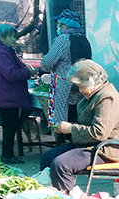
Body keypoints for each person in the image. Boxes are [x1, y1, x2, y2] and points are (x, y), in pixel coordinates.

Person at [39, 59, 119, 191]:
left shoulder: (108, 98)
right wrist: (65, 130)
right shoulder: (94, 95)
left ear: (92, 82)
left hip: (108, 151)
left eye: (81, 86)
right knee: (47, 157)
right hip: (91, 146)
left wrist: (70, 128)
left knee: (61, 165)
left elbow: (99, 132)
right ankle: (47, 196)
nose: (80, 90)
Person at [0, 24, 35, 164]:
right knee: (10, 126)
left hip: (8, 95)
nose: (15, 39)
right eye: (11, 36)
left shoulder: (5, 51)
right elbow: (10, 74)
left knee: (11, 125)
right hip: (7, 96)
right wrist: (28, 72)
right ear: (2, 38)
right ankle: (7, 155)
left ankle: (8, 153)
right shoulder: (0, 53)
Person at [41, 9, 92, 142]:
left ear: (65, 25)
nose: (58, 27)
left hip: (65, 88)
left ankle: (63, 147)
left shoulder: (62, 39)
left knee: (63, 118)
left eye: (59, 24)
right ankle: (76, 143)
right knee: (77, 115)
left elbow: (47, 63)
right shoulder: (84, 39)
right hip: (81, 86)